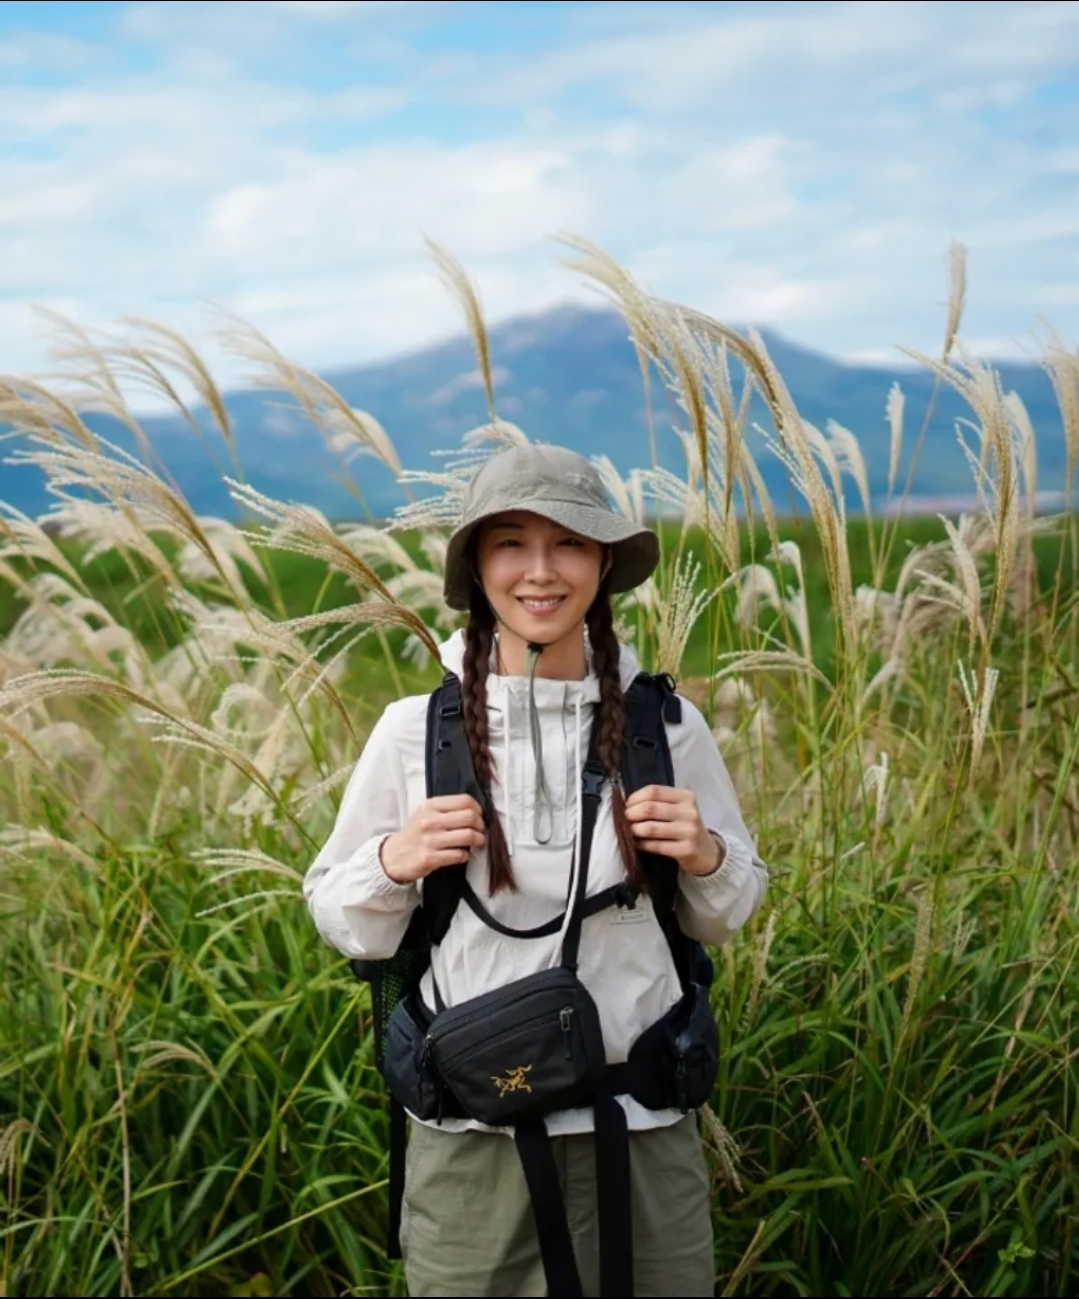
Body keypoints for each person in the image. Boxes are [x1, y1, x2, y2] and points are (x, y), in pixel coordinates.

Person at [304, 443, 767, 1298]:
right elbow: (345, 921)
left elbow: (719, 916)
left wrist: (704, 853)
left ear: (602, 564)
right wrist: (389, 863)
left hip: (642, 1130)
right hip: (474, 1144)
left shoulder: (665, 727)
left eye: (571, 543)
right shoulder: (416, 731)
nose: (540, 572)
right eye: (510, 542)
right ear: (476, 567)